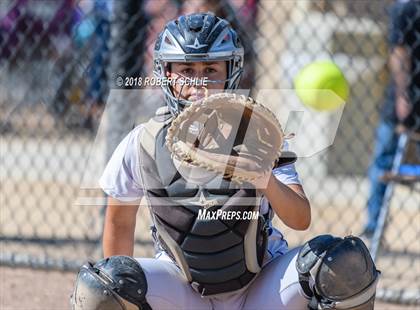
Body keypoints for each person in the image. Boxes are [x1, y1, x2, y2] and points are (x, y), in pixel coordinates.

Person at [71, 13, 379, 310]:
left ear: (231, 72)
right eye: (186, 71)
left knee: (342, 264)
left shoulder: (262, 135)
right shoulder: (143, 142)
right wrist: (120, 296)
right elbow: (118, 223)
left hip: (261, 287)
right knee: (104, 283)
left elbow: (301, 218)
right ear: (166, 74)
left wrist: (264, 178)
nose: (199, 84)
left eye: (211, 71)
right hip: (182, 287)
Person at [362, 0, 420, 239]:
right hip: (403, 98)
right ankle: (374, 224)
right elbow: (398, 52)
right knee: (384, 161)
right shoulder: (406, 8)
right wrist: (403, 96)